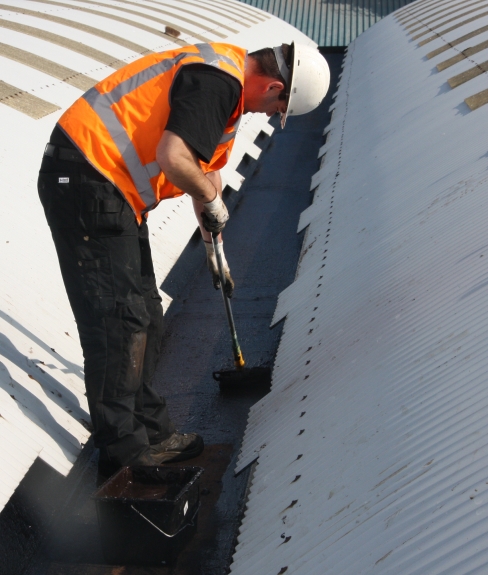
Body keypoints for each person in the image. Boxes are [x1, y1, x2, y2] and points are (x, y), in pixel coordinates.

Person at [37, 42, 330, 477]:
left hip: (111, 189)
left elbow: (201, 167)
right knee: (120, 321)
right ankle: (124, 452)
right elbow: (173, 158)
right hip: (85, 178)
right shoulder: (219, 82)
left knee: (147, 316)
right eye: (276, 107)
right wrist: (212, 199)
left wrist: (214, 243)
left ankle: (151, 430)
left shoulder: (223, 79)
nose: (268, 114)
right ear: (273, 85)